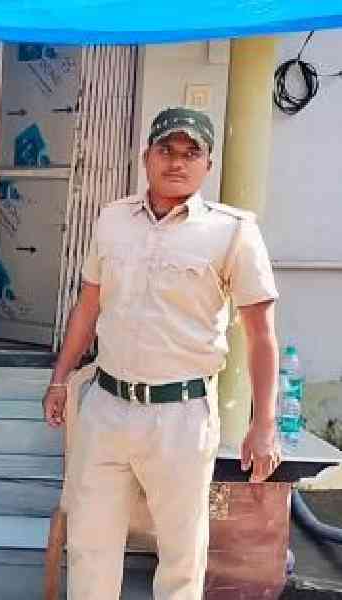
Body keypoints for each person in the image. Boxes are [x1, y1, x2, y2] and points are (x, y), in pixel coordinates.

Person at [43, 107, 281, 599]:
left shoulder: (233, 232)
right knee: (90, 544)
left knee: (179, 554)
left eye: (190, 153)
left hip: (181, 414)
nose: (177, 162)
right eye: (166, 151)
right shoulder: (112, 220)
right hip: (106, 408)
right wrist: (60, 377)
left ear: (207, 165)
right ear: (145, 157)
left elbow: (261, 336)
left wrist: (263, 424)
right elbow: (88, 305)